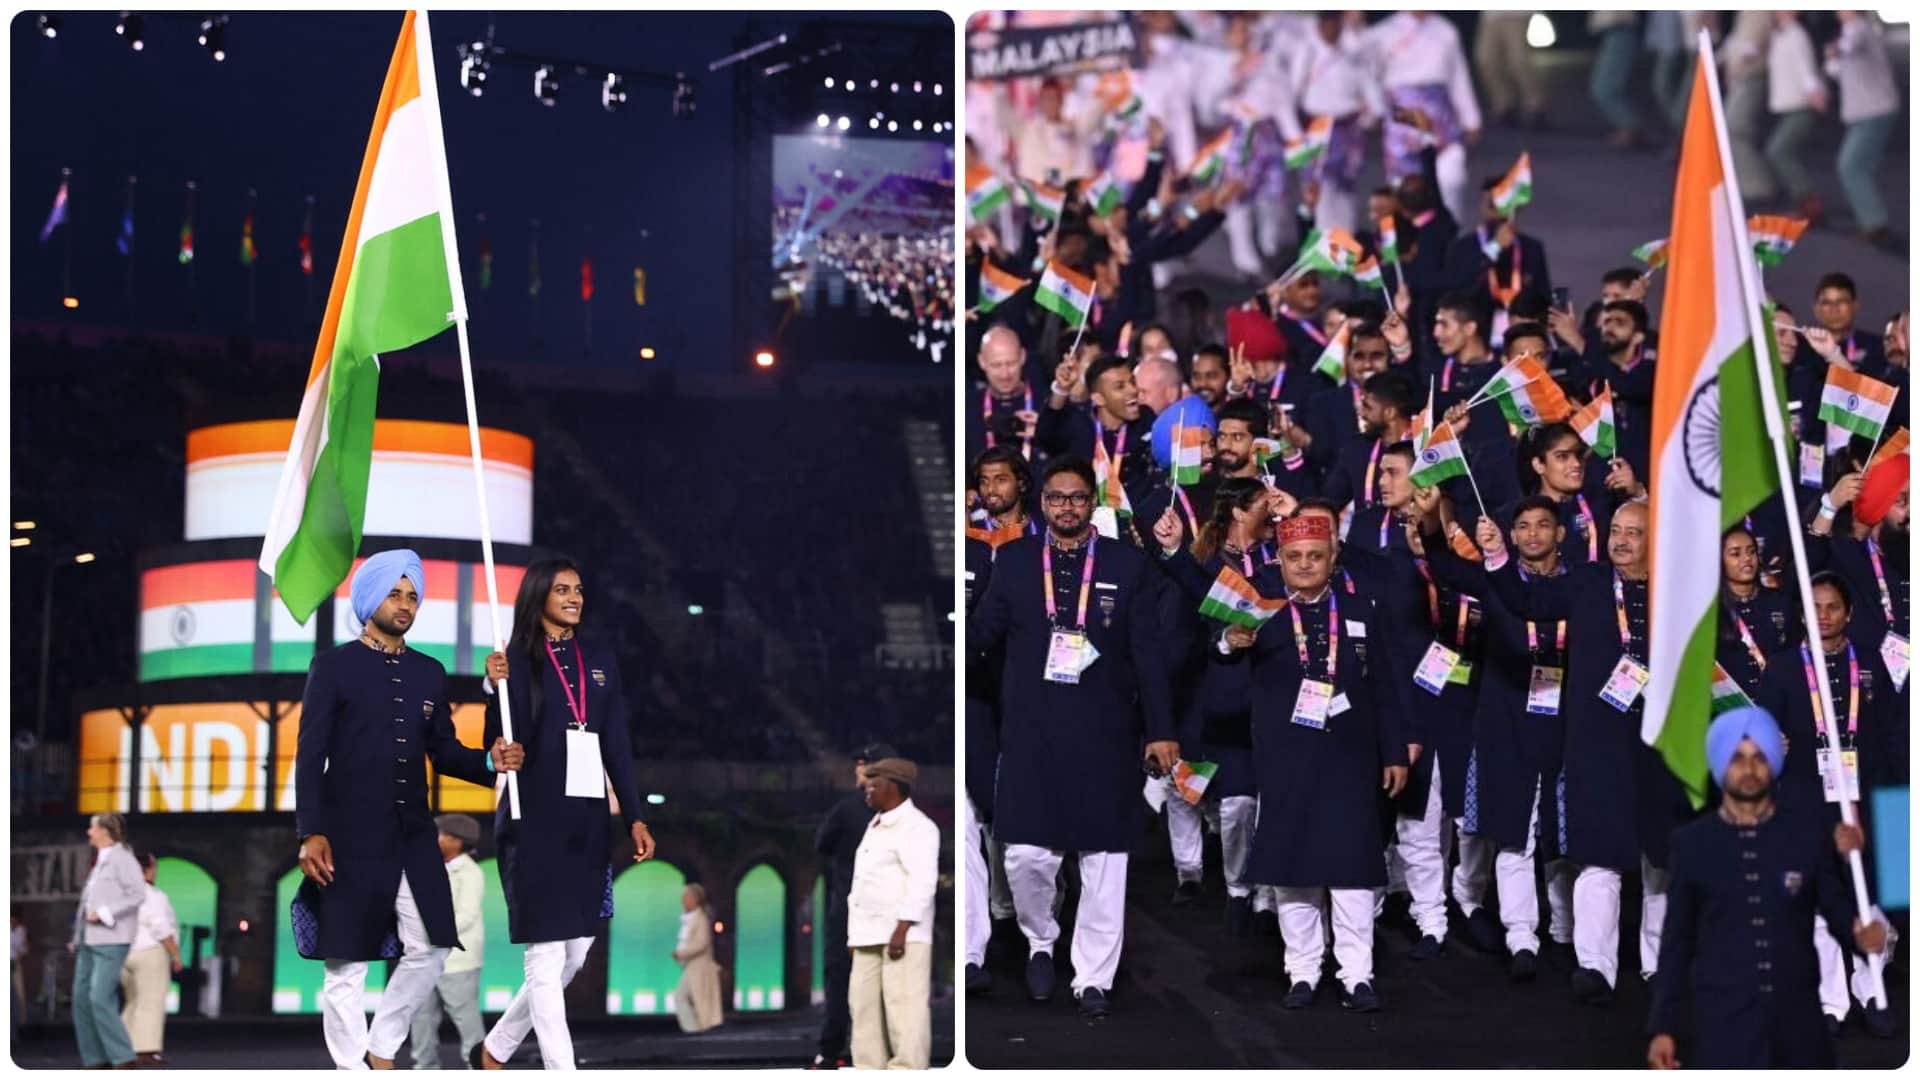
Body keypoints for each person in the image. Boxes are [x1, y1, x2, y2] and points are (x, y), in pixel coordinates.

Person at [965, 455, 1177, 1018]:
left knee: (1106, 861)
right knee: (1027, 858)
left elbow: (1149, 655)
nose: (1067, 507)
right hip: (1031, 731)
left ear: (1092, 504)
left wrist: (1161, 731)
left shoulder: (1126, 564)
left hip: (1107, 731)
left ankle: (1093, 978)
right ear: (1043, 503)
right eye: (1057, 498)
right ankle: (1040, 939)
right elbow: (981, 636)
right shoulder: (1011, 561)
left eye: (1078, 498)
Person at [296, 550, 524, 1070]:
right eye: (395, 594)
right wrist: (311, 831)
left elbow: (443, 750)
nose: (405, 604)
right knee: (346, 965)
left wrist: (491, 762)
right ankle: (354, 1068)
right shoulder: (332, 667)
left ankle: (380, 1047)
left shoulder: (428, 671)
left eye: (412, 595)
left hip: (414, 833)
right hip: (348, 834)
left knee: (433, 946)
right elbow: (310, 756)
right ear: (369, 599)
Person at [1220, 513, 1408, 1011]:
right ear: (1279, 560)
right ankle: (1302, 970)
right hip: (1286, 758)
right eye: (1295, 557)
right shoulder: (1261, 610)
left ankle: (1357, 974)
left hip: (1351, 757)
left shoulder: (1363, 608)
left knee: (1352, 868)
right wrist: (1227, 642)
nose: (1305, 565)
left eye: (1315, 556)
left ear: (1333, 559)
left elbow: (1387, 687)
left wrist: (1395, 752)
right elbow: (1219, 651)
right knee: (1293, 868)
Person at [474, 559, 654, 1071]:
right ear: (539, 597)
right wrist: (493, 689)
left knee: (576, 952)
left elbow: (615, 741)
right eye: (562, 590)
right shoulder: (515, 659)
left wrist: (635, 816)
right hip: (534, 818)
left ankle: (497, 1047)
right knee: (547, 956)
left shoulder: (598, 659)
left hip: (587, 822)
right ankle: (562, 1069)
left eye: (578, 589)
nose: (574, 597)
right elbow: (502, 738)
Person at [1646, 707, 1889, 1068]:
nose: (1749, 768)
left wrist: (1859, 933)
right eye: (1737, 758)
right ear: (1719, 765)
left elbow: (1834, 906)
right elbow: (1677, 942)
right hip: (1722, 1023)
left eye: (1760, 757)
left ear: (1773, 762)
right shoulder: (1692, 844)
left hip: (1799, 1025)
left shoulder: (1805, 835)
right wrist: (1663, 1027)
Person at [1416, 494, 1570, 978]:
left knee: (1563, 835)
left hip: (1567, 727)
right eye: (1521, 525)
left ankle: (1566, 930)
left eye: (1542, 525)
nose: (1531, 534)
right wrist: (1431, 523)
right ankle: (1521, 936)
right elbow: (1444, 568)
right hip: (1506, 725)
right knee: (1512, 834)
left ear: (1560, 534)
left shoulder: (1583, 585)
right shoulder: (1494, 580)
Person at [1756, 572, 1905, 1036]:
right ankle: (1830, 1002)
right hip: (1803, 798)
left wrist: (1894, 798)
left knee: (1868, 895)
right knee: (1819, 900)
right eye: (1814, 608)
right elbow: (1763, 735)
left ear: (1849, 613)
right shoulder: (1781, 668)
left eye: (1832, 608)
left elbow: (1890, 734)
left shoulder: (1871, 665)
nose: (1823, 617)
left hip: (1865, 797)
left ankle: (1873, 990)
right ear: (1801, 614)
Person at [846, 757, 939, 1069]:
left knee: (905, 1010)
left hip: (903, 935)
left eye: (873, 785)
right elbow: (861, 885)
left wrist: (902, 929)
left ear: (893, 787)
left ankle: (908, 1070)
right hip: (867, 932)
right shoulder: (875, 826)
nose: (866, 791)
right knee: (862, 1010)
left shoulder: (918, 827)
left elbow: (923, 882)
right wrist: (853, 935)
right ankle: (868, 1069)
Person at [811, 741, 898, 1069]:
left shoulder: (847, 810)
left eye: (863, 764)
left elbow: (823, 844)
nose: (857, 770)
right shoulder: (904, 812)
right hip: (889, 912)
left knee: (841, 980)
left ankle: (831, 1051)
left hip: (849, 912)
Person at [407, 815, 487, 1070]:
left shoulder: (470, 872)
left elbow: (467, 914)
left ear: (457, 841)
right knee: (421, 1016)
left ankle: (479, 1067)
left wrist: (433, 933)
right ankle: (425, 1067)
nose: (437, 839)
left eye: (442, 835)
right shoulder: (432, 867)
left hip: (457, 959)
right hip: (424, 956)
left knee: (465, 1017)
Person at [70, 813, 143, 1070]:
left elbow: (137, 894)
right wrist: (76, 935)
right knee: (80, 999)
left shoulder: (124, 859)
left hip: (112, 939)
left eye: (92, 828)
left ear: (104, 831)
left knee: (99, 997)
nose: (89, 833)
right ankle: (95, 1058)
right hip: (88, 939)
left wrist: (104, 914)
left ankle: (123, 1057)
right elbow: (86, 903)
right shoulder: (100, 861)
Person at [1824, 12, 1901, 249]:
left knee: (1851, 165)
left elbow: (1849, 46)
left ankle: (1875, 224)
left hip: (1874, 109)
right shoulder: (1853, 31)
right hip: (1867, 110)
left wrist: (1834, 50)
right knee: (1858, 167)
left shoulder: (1859, 28)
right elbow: (1836, 70)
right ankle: (1874, 223)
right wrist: (1832, 56)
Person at [1763, 12, 1827, 224]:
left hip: (1801, 104)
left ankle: (1810, 204)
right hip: (1791, 103)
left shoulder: (1796, 34)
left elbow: (1805, 66)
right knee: (1782, 151)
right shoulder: (1779, 34)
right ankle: (1806, 203)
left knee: (1778, 150)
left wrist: (1814, 92)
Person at [120, 852, 182, 1068]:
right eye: (154, 866)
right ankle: (146, 1050)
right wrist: (175, 953)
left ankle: (122, 1046)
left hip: (126, 952)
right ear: (148, 868)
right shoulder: (152, 895)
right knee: (151, 1003)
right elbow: (160, 927)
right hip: (149, 951)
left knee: (133, 1002)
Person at [1473, 11, 1544, 130]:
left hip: (1517, 13)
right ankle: (1504, 104)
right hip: (1491, 15)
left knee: (1519, 60)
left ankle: (1535, 105)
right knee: (1486, 58)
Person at [1587, 13, 1645, 148]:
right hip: (1616, 30)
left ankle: (1630, 127)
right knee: (1604, 87)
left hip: (1622, 29)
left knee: (1604, 87)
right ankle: (1629, 127)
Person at [673, 884, 723, 1035]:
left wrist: (682, 953)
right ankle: (696, 1029)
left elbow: (702, 943)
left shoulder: (700, 919)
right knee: (691, 998)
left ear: (695, 899)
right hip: (691, 966)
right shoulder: (690, 919)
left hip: (699, 967)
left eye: (686, 897)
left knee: (682, 996)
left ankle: (693, 1031)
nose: (683, 900)